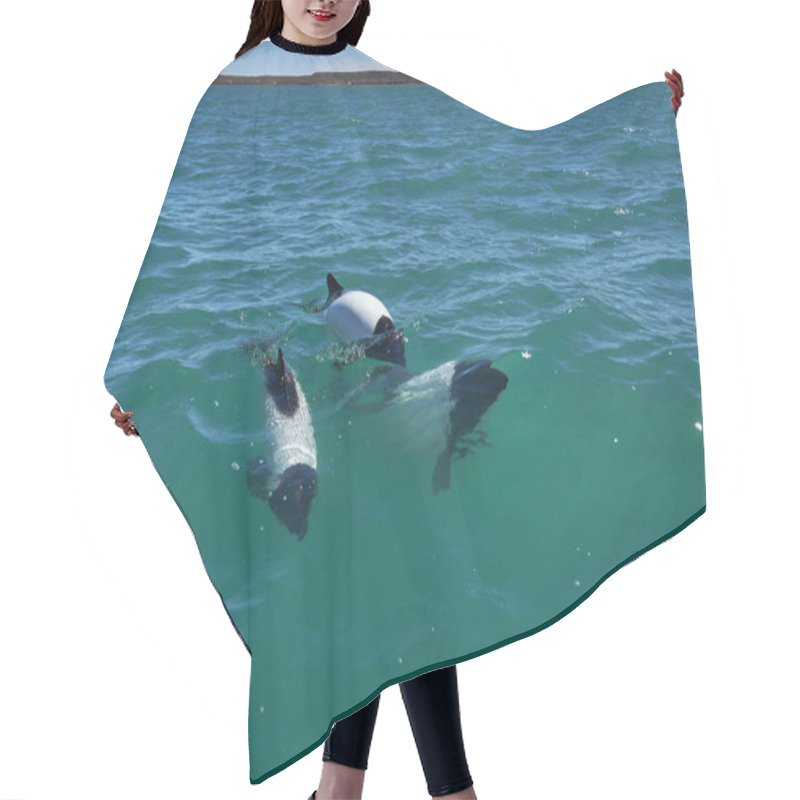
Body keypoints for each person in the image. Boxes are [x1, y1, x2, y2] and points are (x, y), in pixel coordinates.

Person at [110, 2, 686, 798]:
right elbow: (193, 255)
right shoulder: (233, 89)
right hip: (298, 360)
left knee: (398, 562)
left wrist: (632, 134)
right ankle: (433, 791)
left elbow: (500, 168)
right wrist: (153, 388)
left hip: (372, 357)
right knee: (383, 568)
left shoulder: (380, 83)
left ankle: (347, 789)